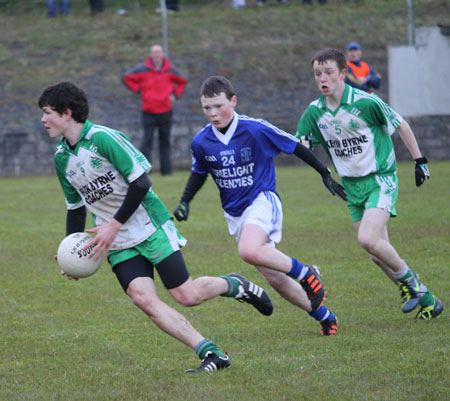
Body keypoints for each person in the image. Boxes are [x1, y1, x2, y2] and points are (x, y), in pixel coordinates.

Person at [38, 81, 274, 374]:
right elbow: (75, 207)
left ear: (67, 113)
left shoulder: (104, 139)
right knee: (144, 300)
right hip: (117, 242)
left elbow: (141, 183)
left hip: (149, 226)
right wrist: (70, 253)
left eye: (47, 113)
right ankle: (211, 353)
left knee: (187, 296)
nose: (43, 120)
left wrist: (113, 225)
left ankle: (233, 284)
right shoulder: (61, 157)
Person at [173, 76, 347, 336]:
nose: (213, 113)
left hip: (262, 199)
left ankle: (306, 273)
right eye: (206, 108)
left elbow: (294, 146)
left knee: (248, 250)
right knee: (275, 278)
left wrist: (324, 172)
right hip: (235, 213)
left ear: (233, 101)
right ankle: (325, 316)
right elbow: (200, 173)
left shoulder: (254, 128)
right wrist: (185, 201)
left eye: (218, 106)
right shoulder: (201, 142)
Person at [296, 48, 443, 320]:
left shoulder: (366, 102)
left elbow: (401, 124)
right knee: (376, 254)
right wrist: (323, 173)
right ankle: (429, 302)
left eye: (328, 72)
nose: (322, 78)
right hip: (351, 188)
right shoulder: (314, 113)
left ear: (343, 73)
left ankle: (413, 284)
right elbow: (302, 145)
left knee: (367, 238)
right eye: (317, 73)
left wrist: (419, 160)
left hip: (380, 179)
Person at [122, 45, 187, 176]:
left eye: (158, 53)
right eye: (154, 53)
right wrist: (138, 90)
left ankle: (167, 172)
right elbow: (126, 77)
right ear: (151, 55)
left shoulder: (170, 70)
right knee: (147, 141)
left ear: (162, 54)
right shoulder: (142, 69)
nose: (156, 55)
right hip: (148, 111)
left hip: (165, 111)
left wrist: (175, 95)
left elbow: (182, 81)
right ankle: (144, 171)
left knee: (165, 141)